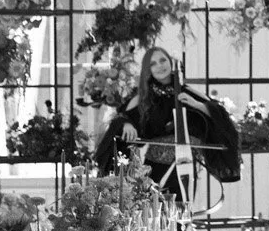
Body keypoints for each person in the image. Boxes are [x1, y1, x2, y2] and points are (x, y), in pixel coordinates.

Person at [94, 46, 241, 196]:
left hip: (187, 165)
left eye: (163, 60)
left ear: (170, 62)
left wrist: (197, 105)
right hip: (157, 167)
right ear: (148, 69)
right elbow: (121, 117)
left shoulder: (187, 91)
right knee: (158, 211)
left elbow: (219, 115)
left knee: (183, 212)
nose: (160, 66)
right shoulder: (143, 97)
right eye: (153, 64)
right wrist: (126, 124)